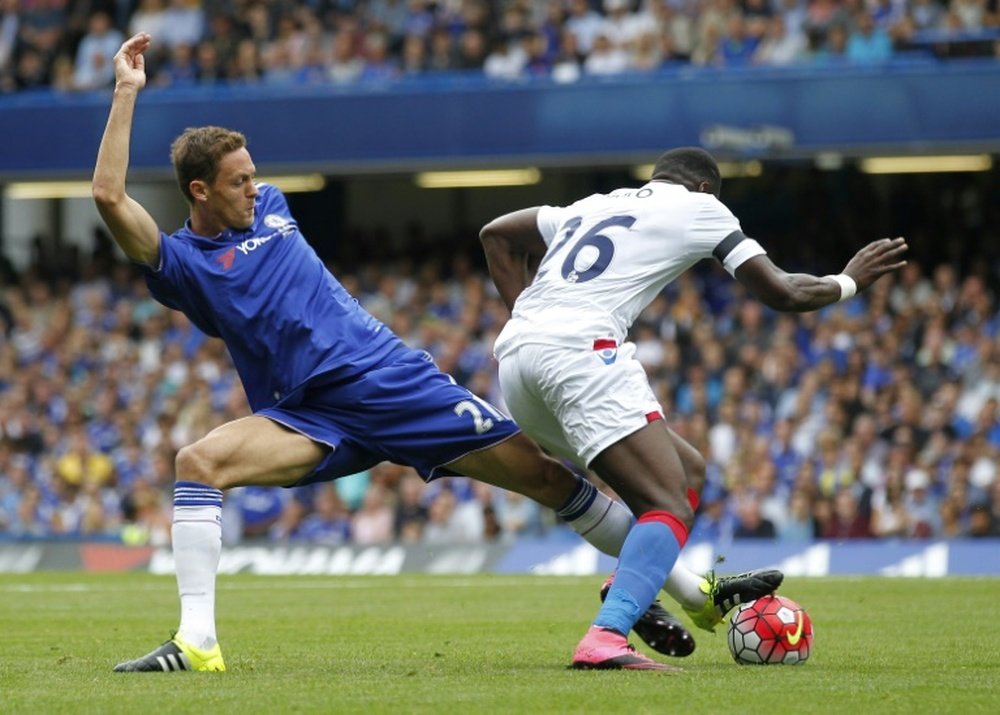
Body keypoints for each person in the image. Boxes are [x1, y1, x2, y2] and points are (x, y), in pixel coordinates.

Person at [95, 33, 772, 673]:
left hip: (390, 380)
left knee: (544, 477)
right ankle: (197, 641)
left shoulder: (272, 204)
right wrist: (126, 91)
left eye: (252, 175)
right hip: (308, 413)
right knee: (199, 461)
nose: (255, 186)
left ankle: (692, 591)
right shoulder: (181, 262)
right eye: (237, 181)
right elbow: (108, 195)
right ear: (199, 191)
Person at [479, 147, 908, 669]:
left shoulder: (591, 204)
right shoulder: (702, 208)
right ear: (706, 188)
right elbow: (783, 293)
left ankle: (670, 590)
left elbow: (496, 233)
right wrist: (850, 281)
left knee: (687, 472)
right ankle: (606, 637)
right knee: (670, 503)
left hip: (516, 365)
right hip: (579, 353)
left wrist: (525, 314)